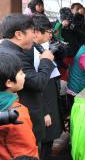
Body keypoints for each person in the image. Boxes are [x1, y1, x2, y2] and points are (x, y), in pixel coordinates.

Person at [0, 14, 55, 148]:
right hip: (21, 120)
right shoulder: (14, 56)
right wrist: (46, 60)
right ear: (19, 34)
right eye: (33, 32)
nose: (35, 36)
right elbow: (38, 83)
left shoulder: (9, 50)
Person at [32, 17, 63, 160]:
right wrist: (44, 111)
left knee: (49, 137)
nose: (50, 35)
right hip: (43, 101)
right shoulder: (30, 53)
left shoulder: (40, 47)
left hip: (50, 94)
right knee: (43, 138)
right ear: (37, 32)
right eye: (48, 32)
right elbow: (34, 86)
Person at [0, 53, 39, 160]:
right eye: (21, 73)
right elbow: (26, 150)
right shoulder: (15, 113)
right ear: (9, 83)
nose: (24, 75)